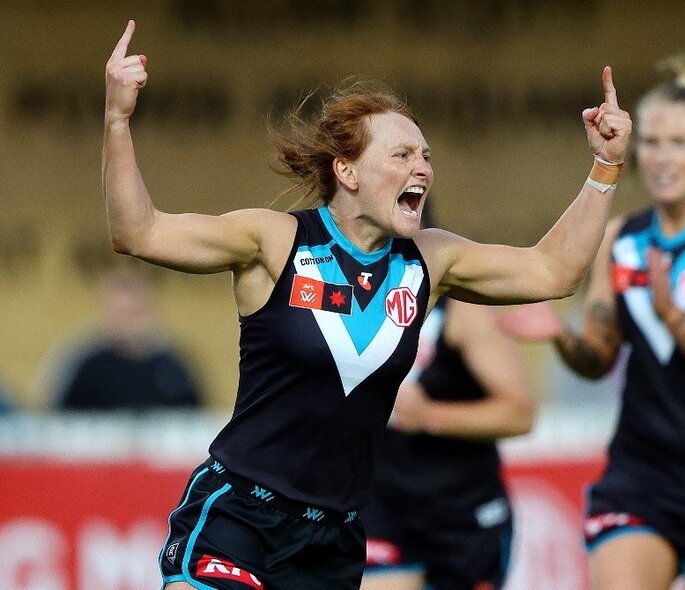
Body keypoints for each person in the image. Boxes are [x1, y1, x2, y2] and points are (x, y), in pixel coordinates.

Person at [103, 19, 630, 590]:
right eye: (402, 154)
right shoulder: (274, 241)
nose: (422, 168)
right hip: (240, 518)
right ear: (347, 171)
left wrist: (604, 169)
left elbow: (554, 270)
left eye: (426, 155)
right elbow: (140, 233)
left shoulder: (431, 262)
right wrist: (117, 119)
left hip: (336, 539)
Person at [498, 52, 685, 590]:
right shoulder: (620, 240)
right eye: (650, 142)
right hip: (639, 475)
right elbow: (598, 357)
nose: (660, 157)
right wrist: (561, 334)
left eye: (680, 143)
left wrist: (672, 314)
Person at [359, 207, 536, 590]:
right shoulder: (346, 300)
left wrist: (429, 416)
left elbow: (519, 413)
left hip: (462, 514)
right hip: (379, 505)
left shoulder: (463, 307)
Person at [47, 265, 201, 411]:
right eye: (121, 313)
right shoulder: (84, 362)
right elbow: (57, 419)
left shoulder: (172, 366)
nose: (126, 323)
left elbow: (196, 421)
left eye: (133, 313)